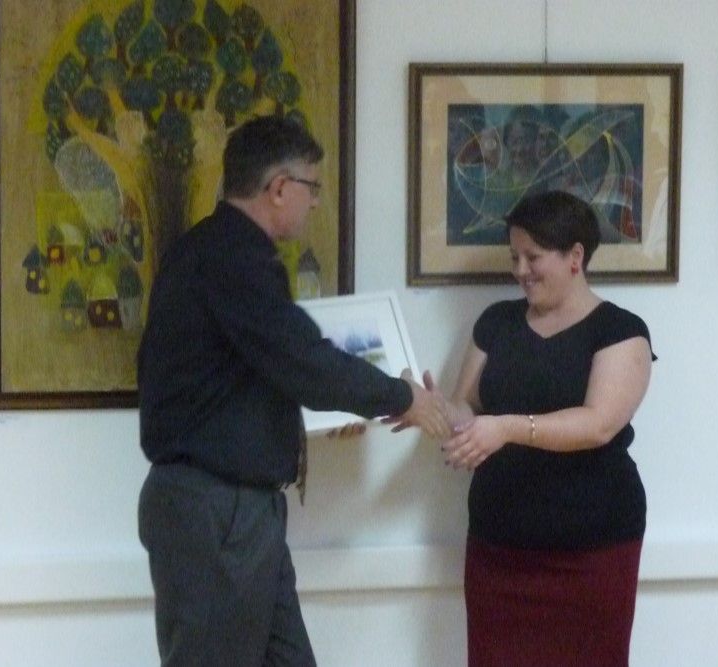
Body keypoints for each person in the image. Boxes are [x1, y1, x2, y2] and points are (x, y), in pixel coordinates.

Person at [136, 115, 447, 667]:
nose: (315, 202)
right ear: (279, 187)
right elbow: (303, 360)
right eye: (312, 187)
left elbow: (250, 379)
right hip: (218, 510)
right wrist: (403, 398)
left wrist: (323, 421)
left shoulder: (214, 252)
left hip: (238, 508)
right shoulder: (232, 258)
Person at [430, 190, 655, 666]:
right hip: (498, 545)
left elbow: (597, 425)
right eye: (514, 257)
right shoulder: (497, 322)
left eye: (533, 257)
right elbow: (468, 410)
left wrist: (507, 428)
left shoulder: (620, 330)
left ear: (575, 256)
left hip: (592, 548)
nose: (520, 270)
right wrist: (428, 409)